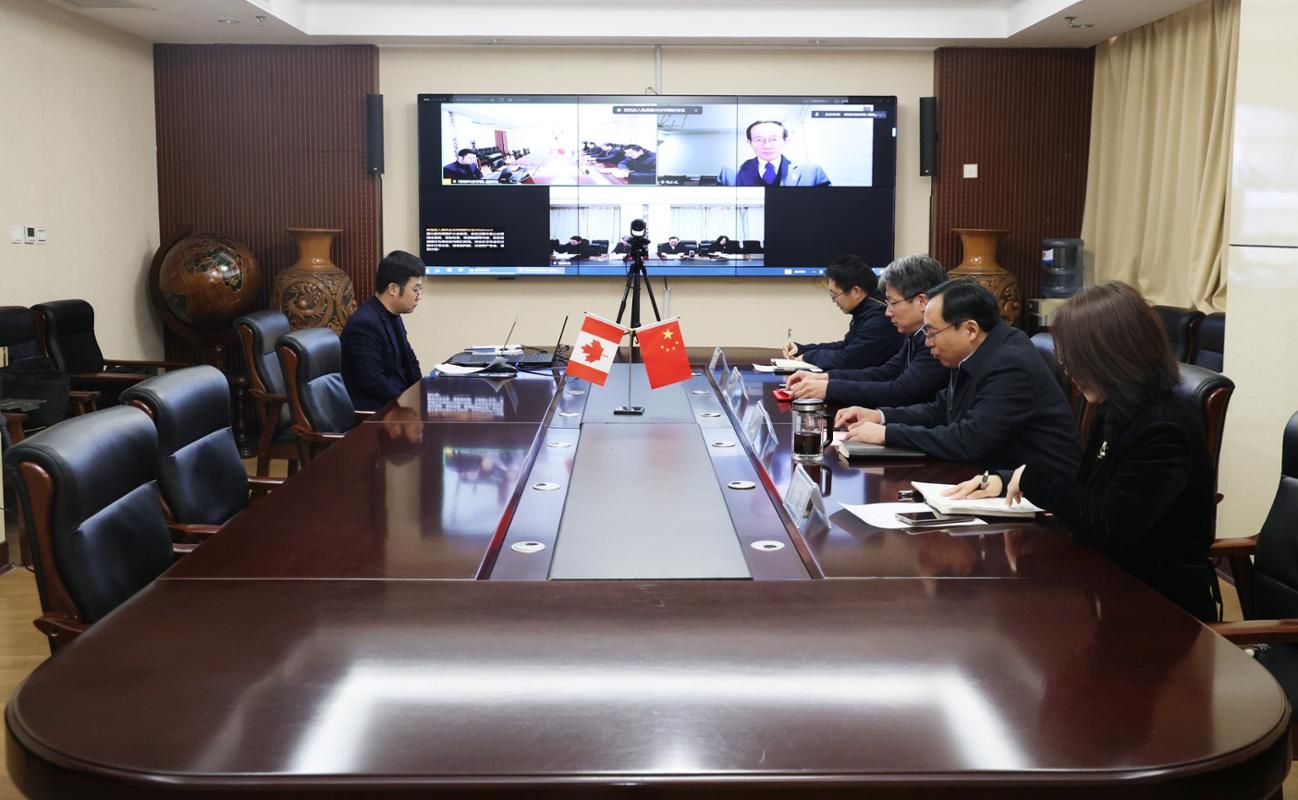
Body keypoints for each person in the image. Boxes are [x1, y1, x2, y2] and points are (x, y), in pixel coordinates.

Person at [943, 282, 1217, 621]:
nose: (1069, 371)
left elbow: (1108, 527)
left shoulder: (1163, 428)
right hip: (1107, 587)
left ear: (1111, 357)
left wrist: (1036, 479)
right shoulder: (1119, 407)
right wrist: (1005, 479)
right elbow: (1086, 487)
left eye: (1074, 360)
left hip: (1160, 610)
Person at [836, 278, 1080, 474]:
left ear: (970, 329)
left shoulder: (1011, 364)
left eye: (932, 332)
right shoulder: (979, 350)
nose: (927, 342)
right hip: (992, 475)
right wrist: (881, 417)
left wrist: (887, 434)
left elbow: (969, 440)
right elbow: (943, 408)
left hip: (1035, 493)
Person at [788, 254, 948, 407]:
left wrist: (829, 388)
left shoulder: (937, 340)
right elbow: (886, 372)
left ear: (921, 302)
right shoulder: (915, 334)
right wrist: (825, 378)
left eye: (892, 303)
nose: (888, 312)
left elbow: (901, 392)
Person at [784, 254, 901, 370]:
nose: (834, 301)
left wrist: (808, 357)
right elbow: (846, 346)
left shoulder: (879, 317)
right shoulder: (865, 309)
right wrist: (802, 349)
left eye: (834, 295)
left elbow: (847, 360)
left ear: (856, 291)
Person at [340, 250, 424, 412]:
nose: (419, 296)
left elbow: (410, 362)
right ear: (393, 288)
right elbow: (372, 381)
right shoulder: (364, 324)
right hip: (376, 413)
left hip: (397, 406)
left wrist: (420, 394)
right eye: (415, 290)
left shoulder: (393, 316)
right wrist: (406, 405)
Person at [717, 121, 830, 187]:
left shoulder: (812, 172)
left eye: (774, 139)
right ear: (749, 142)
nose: (767, 146)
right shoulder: (730, 173)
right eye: (759, 140)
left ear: (786, 141)